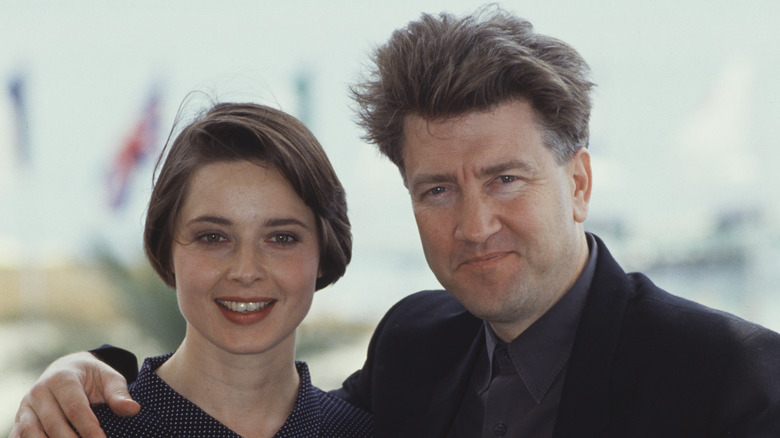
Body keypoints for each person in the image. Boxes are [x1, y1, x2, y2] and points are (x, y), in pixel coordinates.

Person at [11, 6, 780, 438]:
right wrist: (88, 370)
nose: (476, 224)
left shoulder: (731, 377)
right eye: (438, 190)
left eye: (504, 180)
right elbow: (244, 393)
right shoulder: (416, 347)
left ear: (578, 181)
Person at [15, 102, 373, 437]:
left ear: (324, 251)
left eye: (281, 238)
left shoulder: (368, 430)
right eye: (213, 237)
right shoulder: (82, 430)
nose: (246, 270)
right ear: (165, 248)